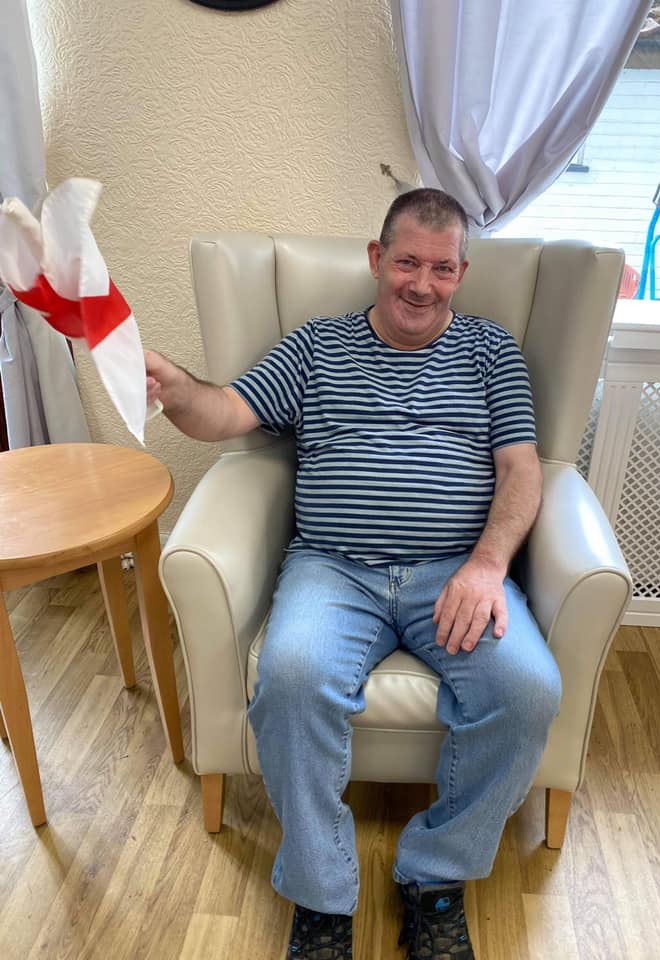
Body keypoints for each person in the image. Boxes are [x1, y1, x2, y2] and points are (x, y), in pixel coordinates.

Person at [145, 188, 562, 960]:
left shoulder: (491, 351)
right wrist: (173, 387)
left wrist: (487, 565)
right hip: (334, 570)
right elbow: (225, 412)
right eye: (408, 262)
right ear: (377, 258)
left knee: (529, 690)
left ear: (462, 273)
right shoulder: (318, 345)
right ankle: (321, 894)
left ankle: (435, 876)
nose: (422, 284)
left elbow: (521, 468)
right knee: (291, 678)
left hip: (455, 572)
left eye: (442, 268)